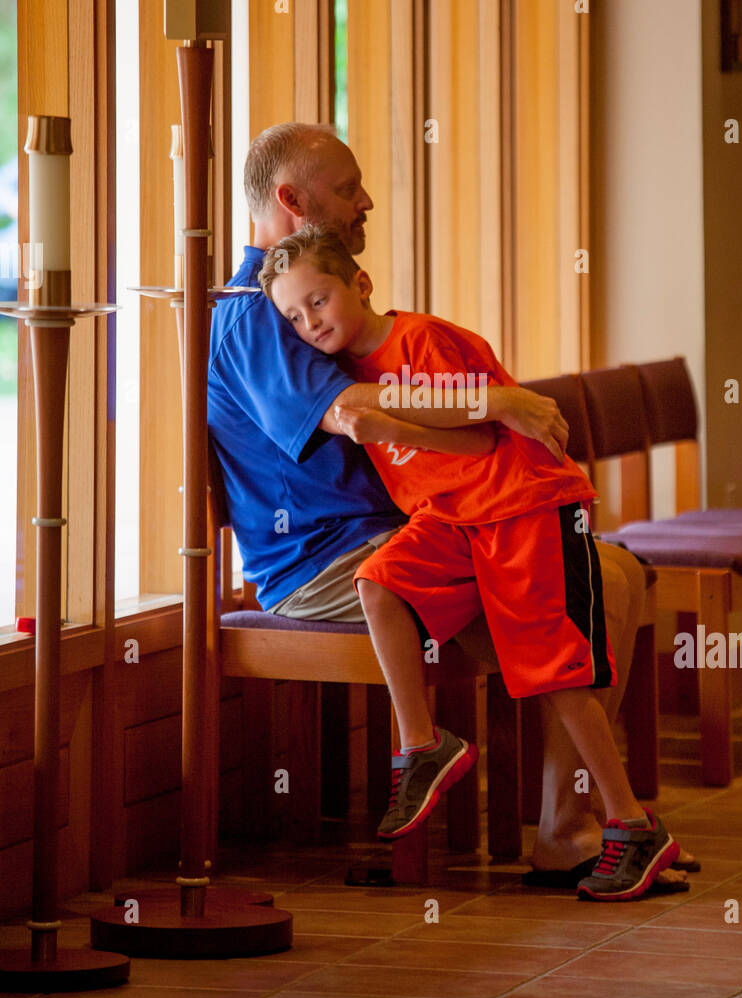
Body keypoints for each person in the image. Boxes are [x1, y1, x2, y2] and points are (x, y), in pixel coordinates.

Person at [207, 122, 695, 890]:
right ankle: (603, 822)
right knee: (571, 605)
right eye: (347, 188)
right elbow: (355, 410)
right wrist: (493, 401)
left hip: (406, 529)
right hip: (323, 555)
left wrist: (486, 426)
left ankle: (570, 825)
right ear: (293, 201)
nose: (366, 200)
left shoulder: (311, 291)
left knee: (615, 576)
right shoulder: (256, 311)